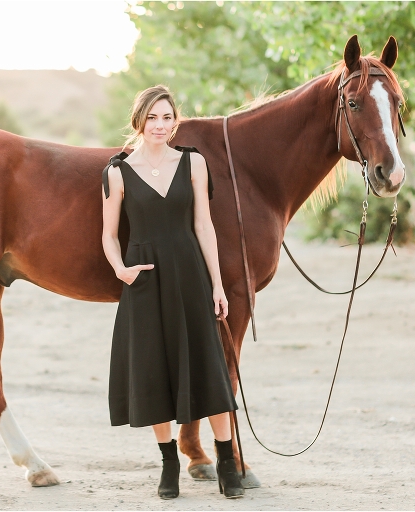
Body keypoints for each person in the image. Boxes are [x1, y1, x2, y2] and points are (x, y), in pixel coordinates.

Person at [101, 85, 244, 500]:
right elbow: (109, 236)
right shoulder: (117, 171)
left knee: (208, 371)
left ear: (175, 120)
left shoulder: (194, 163)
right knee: (154, 375)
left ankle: (226, 461)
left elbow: (204, 226)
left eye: (167, 117)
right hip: (144, 282)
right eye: (152, 118)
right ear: (139, 121)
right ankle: (169, 462)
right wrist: (121, 270)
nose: (160, 126)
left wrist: (217, 283)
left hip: (190, 275)